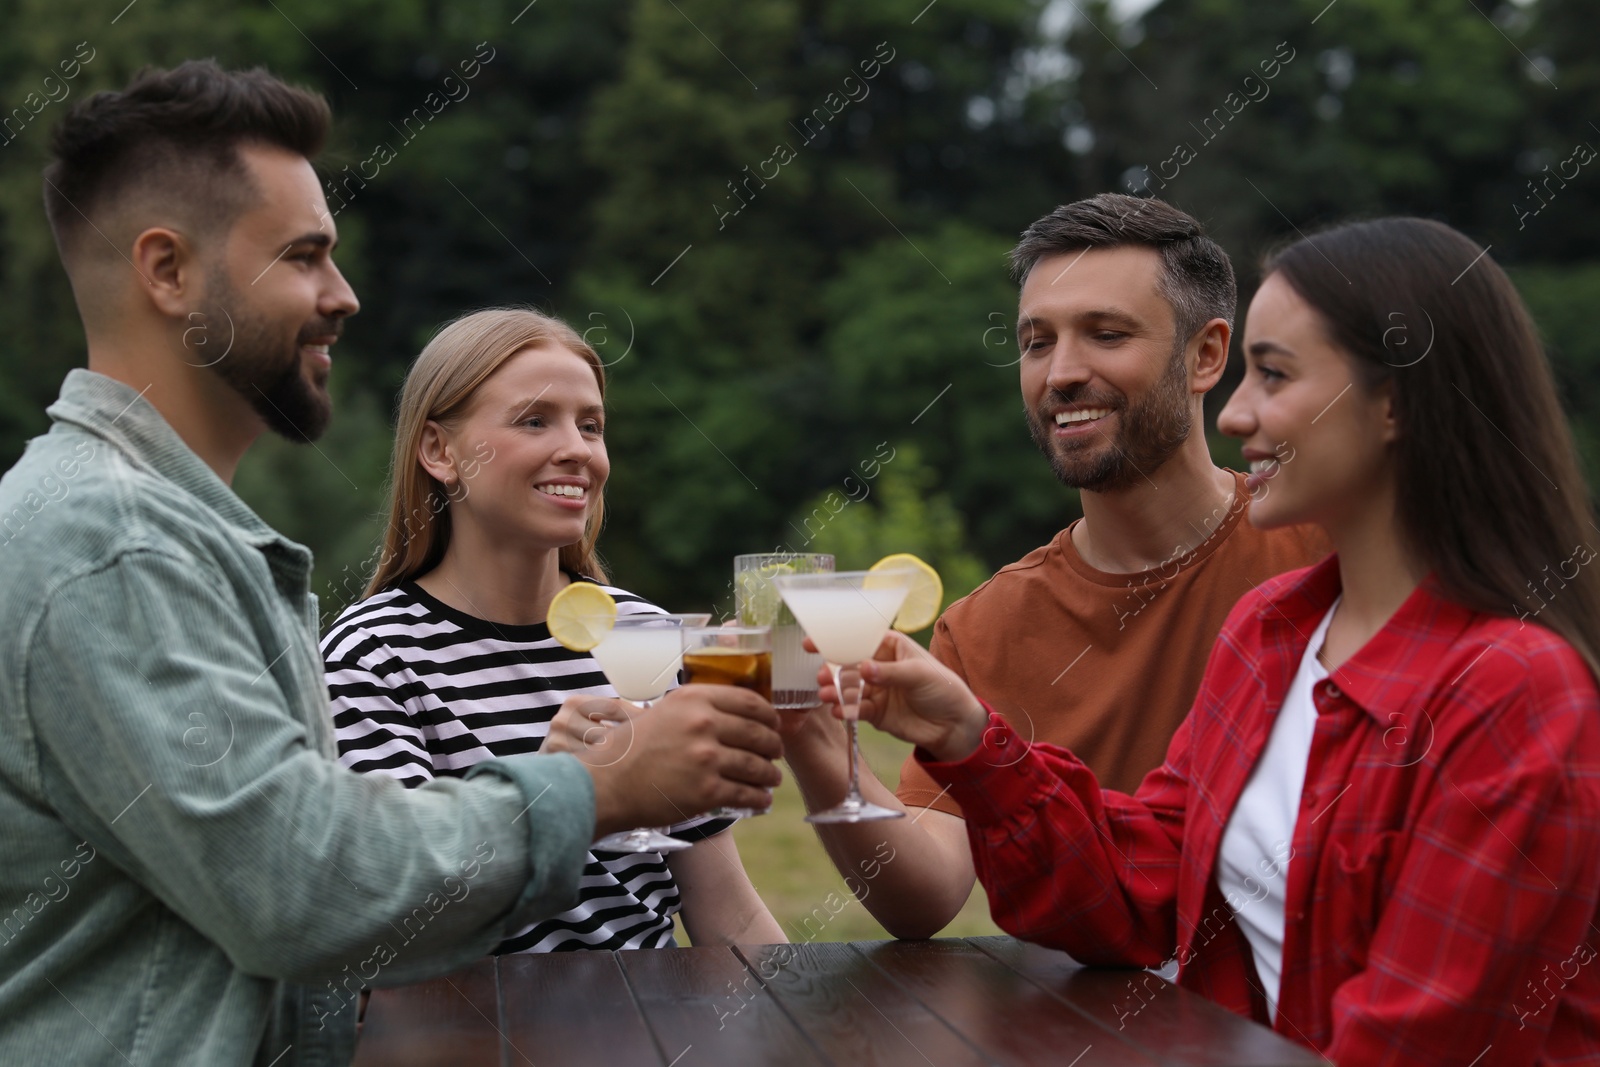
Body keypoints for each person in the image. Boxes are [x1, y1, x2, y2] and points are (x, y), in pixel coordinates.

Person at [0, 61, 781, 1066]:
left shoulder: (175, 532)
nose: (344, 295)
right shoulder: (108, 541)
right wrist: (596, 790)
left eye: (591, 422)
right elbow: (301, 881)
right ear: (167, 272)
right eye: (304, 257)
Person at [832, 218, 1600, 1064]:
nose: (1235, 412)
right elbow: (1146, 880)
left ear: (1394, 402)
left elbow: (1419, 1041)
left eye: (1272, 375)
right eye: (1036, 341)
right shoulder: (1272, 632)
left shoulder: (1515, 691)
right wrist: (971, 743)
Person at [783, 194, 1326, 938]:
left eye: (1106, 334)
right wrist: (818, 748)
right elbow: (927, 894)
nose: (1061, 373)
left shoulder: (1323, 550)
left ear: (1205, 355)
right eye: (1037, 342)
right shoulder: (985, 627)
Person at [323, 307, 784, 952]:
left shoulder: (645, 636)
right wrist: (563, 789)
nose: (578, 449)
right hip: (469, 1035)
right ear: (439, 451)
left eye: (590, 426)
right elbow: (403, 919)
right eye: (534, 420)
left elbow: (727, 916)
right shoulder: (371, 656)